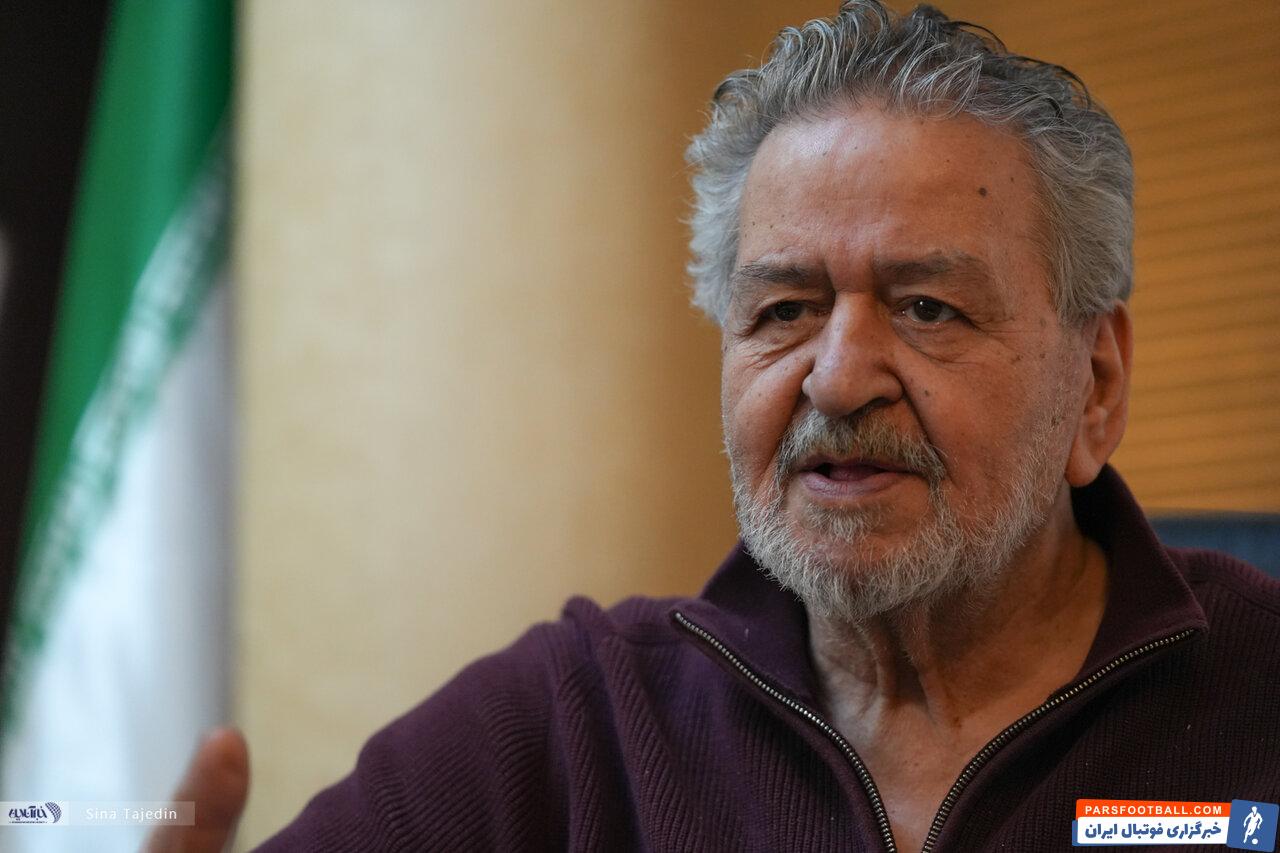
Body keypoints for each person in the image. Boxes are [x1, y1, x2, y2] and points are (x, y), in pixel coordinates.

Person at [151, 2, 1280, 851]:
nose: (836, 379)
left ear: (1096, 385)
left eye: (927, 308)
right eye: (783, 311)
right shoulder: (580, 724)